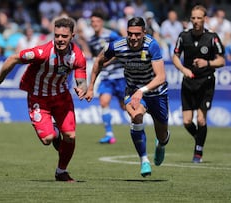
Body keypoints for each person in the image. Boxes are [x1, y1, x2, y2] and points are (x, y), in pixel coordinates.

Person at [0, 17, 87, 182]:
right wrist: (0, 78)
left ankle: (61, 171)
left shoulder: (77, 56)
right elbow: (13, 58)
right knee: (47, 139)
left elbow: (81, 79)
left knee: (70, 136)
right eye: (57, 35)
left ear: (72, 35)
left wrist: (82, 88)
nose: (59, 39)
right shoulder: (42, 53)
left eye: (64, 36)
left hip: (61, 98)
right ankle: (55, 132)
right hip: (39, 98)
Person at [86, 17, 170, 177]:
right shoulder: (117, 46)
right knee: (136, 116)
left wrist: (142, 90)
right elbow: (98, 61)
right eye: (130, 34)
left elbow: (161, 77)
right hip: (132, 90)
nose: (133, 38)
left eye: (137, 34)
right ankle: (144, 160)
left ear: (144, 33)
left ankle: (161, 145)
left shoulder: (151, 45)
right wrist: (90, 87)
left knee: (163, 136)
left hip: (156, 93)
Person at [172, 5, 225, 163]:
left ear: (205, 19)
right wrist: (183, 69)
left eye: (199, 18)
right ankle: (200, 139)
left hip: (205, 82)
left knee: (201, 120)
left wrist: (207, 63)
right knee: (187, 121)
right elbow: (175, 56)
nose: (196, 21)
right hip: (188, 82)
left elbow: (222, 60)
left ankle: (198, 152)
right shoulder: (183, 36)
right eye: (193, 18)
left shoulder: (212, 37)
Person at [87, 10, 125, 144]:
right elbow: (96, 57)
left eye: (97, 21)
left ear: (102, 22)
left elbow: (122, 47)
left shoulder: (112, 35)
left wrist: (108, 61)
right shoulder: (91, 40)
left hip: (119, 75)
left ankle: (149, 122)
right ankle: (109, 134)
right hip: (105, 77)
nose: (95, 24)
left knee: (125, 107)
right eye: (92, 21)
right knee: (103, 102)